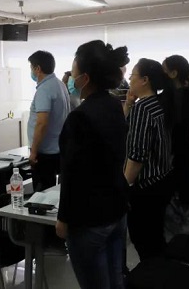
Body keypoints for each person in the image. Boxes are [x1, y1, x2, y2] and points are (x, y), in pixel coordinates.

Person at [55, 41, 130, 289]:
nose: (71, 78)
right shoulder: (114, 105)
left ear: (85, 78)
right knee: (115, 280)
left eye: (73, 73)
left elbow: (72, 173)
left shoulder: (80, 117)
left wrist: (63, 218)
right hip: (116, 209)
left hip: (89, 218)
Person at [124, 59, 173, 261]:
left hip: (146, 187)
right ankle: (159, 271)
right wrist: (129, 103)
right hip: (161, 179)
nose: (129, 80)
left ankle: (154, 274)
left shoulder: (143, 108)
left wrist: (124, 186)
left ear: (145, 80)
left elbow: (137, 155)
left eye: (132, 76)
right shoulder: (157, 103)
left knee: (144, 240)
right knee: (155, 237)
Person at [27, 50, 71, 191]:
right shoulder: (60, 84)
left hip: (45, 154)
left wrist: (33, 152)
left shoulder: (44, 89)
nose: (31, 71)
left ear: (38, 69)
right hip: (58, 149)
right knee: (52, 192)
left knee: (42, 194)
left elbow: (42, 123)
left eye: (31, 67)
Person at [163, 55, 189, 205]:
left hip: (176, 145)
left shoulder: (173, 94)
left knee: (180, 181)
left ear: (173, 73)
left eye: (164, 70)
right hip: (186, 143)